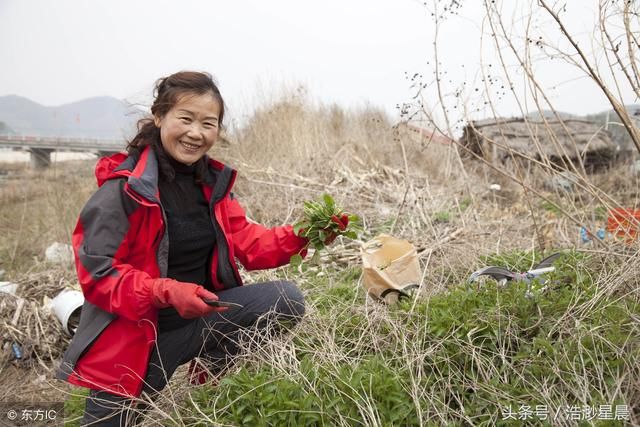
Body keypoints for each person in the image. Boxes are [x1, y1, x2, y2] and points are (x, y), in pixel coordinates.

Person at [56, 71, 334, 426]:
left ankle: (208, 387)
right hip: (139, 340)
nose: (196, 133)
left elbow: (248, 243)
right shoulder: (122, 192)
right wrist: (165, 291)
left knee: (286, 299)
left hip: (200, 323)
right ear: (159, 117)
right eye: (185, 119)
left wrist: (304, 234)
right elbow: (99, 275)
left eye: (208, 123)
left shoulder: (211, 186)